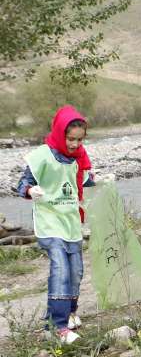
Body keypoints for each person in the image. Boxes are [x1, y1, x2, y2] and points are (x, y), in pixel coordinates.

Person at [16, 106, 94, 344]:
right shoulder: (43, 154)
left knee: (76, 271)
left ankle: (68, 313)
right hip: (49, 221)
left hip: (70, 222)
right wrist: (31, 190)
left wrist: (98, 180)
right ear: (61, 133)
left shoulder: (78, 158)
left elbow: (81, 180)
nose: (74, 144)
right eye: (71, 139)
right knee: (60, 267)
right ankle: (56, 327)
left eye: (79, 140)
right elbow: (21, 184)